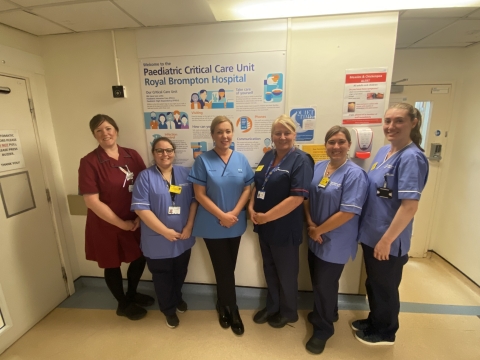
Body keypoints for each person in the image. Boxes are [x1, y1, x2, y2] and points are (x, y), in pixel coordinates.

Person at [353, 103, 429, 345]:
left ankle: (386, 332)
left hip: (388, 239)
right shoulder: (384, 151)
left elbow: (410, 206)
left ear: (413, 122)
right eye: (387, 121)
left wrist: (386, 240)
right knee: (374, 282)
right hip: (372, 233)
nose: (391, 126)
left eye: (398, 121)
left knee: (385, 286)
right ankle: (375, 320)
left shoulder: (411, 157)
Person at [78, 114, 154, 321]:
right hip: (106, 224)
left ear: (116, 130)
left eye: (108, 128)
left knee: (139, 257)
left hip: (136, 219)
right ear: (94, 135)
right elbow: (91, 201)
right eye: (99, 130)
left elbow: (146, 184)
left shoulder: (132, 155)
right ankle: (122, 303)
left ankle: (132, 293)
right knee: (112, 263)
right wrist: (122, 223)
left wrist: (140, 216)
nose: (105, 134)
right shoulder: (89, 162)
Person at [303, 126, 368, 354]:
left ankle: (323, 329)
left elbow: (348, 212)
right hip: (315, 234)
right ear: (326, 145)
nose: (336, 146)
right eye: (331, 142)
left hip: (336, 240)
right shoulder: (319, 167)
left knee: (324, 283)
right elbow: (307, 197)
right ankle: (329, 311)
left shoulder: (355, 174)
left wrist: (318, 229)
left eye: (341, 142)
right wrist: (311, 225)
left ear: (349, 144)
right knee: (321, 281)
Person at [188, 116, 254, 336]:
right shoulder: (202, 160)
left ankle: (222, 302)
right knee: (223, 268)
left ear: (232, 133)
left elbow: (248, 188)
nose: (224, 136)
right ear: (212, 135)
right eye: (219, 132)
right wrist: (221, 215)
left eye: (227, 131)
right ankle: (231, 308)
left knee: (228, 267)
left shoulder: (241, 159)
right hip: (212, 224)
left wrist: (233, 213)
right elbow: (199, 194)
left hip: (234, 223)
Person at [249, 115, 313, 329]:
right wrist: (251, 207)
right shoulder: (268, 156)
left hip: (285, 228)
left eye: (287, 132)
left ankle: (288, 312)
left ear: (294, 135)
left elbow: (297, 198)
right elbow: (257, 184)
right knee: (269, 268)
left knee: (286, 273)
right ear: (272, 136)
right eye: (278, 133)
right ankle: (273, 306)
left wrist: (266, 216)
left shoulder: (301, 160)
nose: (282, 137)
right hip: (264, 226)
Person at [131, 137, 197, 329]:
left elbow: (194, 201)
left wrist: (189, 226)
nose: (164, 154)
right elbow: (140, 209)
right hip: (158, 239)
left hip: (183, 237)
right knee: (162, 276)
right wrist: (165, 231)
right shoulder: (145, 177)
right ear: (153, 154)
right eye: (159, 151)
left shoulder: (185, 173)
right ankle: (168, 309)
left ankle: (177, 298)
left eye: (168, 150)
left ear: (174, 152)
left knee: (180, 272)